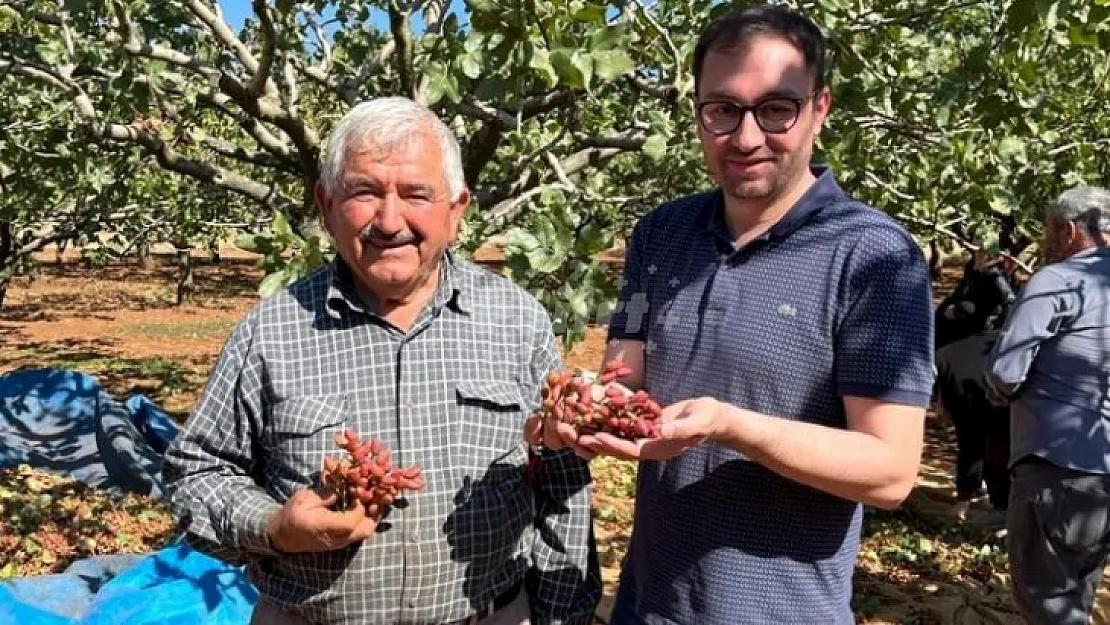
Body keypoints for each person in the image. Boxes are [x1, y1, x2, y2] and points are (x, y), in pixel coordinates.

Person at [527, 5, 935, 624]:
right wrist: (584, 405)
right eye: (722, 110)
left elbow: (890, 472)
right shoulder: (658, 237)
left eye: (776, 109)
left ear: (819, 110)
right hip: (648, 608)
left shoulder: (875, 257)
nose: (746, 138)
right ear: (697, 113)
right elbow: (623, 370)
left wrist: (730, 426)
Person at [162, 96, 601, 625]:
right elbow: (197, 471)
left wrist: (561, 615)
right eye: (365, 192)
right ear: (326, 206)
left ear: (456, 210)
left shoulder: (518, 321)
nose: (389, 221)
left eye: (416, 194)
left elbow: (560, 477)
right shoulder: (269, 331)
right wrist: (275, 527)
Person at [983, 186, 1110, 625]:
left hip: (1056, 467)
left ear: (1072, 231)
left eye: (1050, 231)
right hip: (1102, 471)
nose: (1045, 241)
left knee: (1047, 604)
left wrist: (999, 395)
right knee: (1078, 594)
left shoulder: (1057, 279)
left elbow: (1005, 372)